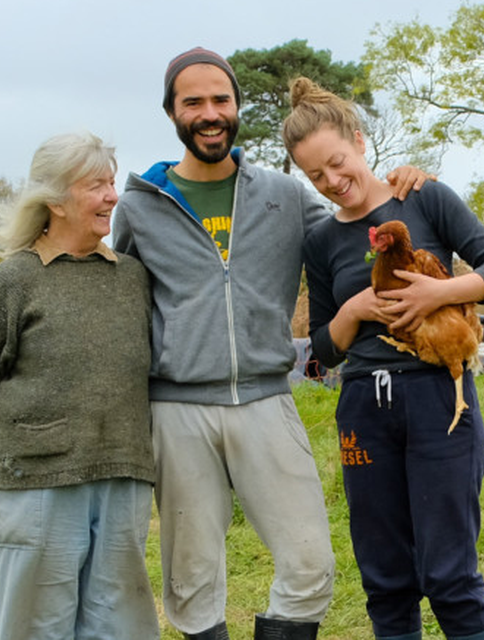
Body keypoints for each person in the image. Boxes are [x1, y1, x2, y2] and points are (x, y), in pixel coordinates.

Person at [112, 47, 430, 640]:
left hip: (265, 396)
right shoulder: (138, 208)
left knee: (310, 564)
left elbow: (358, 212)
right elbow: (120, 308)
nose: (210, 113)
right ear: (172, 112)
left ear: (236, 107)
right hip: (178, 410)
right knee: (191, 577)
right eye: (194, 102)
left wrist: (406, 184)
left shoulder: (286, 196)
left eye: (221, 100)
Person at [282, 77, 484, 640]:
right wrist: (357, 308)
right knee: (385, 578)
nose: (333, 182)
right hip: (364, 408)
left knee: (449, 574)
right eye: (316, 176)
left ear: (360, 142)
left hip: (439, 394)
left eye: (338, 163)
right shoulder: (320, 241)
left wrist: (441, 292)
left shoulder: (425, 199)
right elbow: (320, 348)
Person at [0, 132, 158, 640]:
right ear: (55, 201)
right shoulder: (15, 278)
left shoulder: (132, 277)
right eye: (96, 185)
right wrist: (20, 452)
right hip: (39, 483)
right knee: (38, 630)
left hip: (123, 475)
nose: (112, 196)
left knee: (121, 628)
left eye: (112, 182)